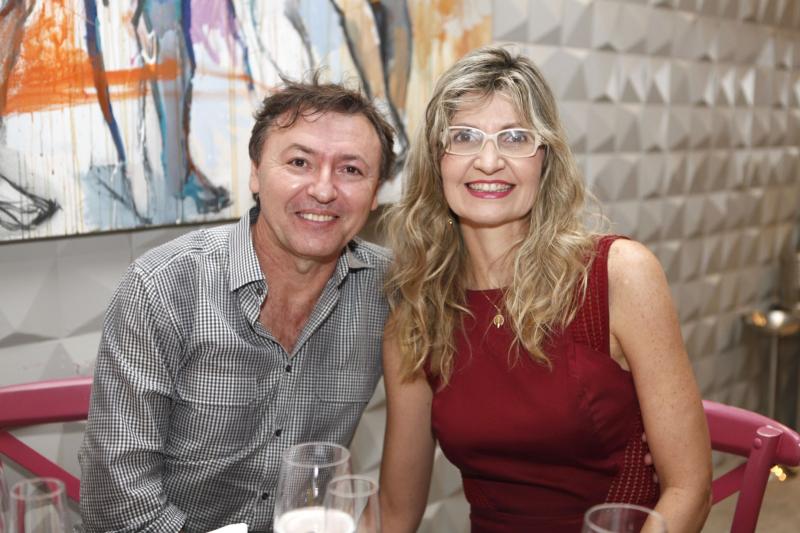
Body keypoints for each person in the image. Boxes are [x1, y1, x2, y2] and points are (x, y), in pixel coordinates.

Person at [379, 46, 712, 533]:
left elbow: (690, 487)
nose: (488, 161)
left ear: (545, 159)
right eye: (464, 137)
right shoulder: (415, 319)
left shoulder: (618, 276)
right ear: (437, 160)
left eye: (515, 137)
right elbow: (395, 514)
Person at [78, 79, 395, 533]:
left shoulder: (390, 292)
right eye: (299, 162)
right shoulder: (163, 288)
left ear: (375, 191)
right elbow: (119, 504)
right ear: (255, 173)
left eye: (351, 170)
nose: (324, 190)